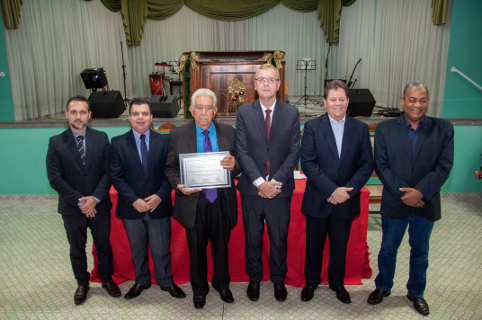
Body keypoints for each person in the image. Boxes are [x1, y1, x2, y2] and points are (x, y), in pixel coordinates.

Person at [367, 82, 454, 316]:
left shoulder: (443, 128)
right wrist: (405, 194)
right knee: (388, 248)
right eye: (413, 99)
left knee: (420, 252)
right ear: (403, 100)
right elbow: (382, 165)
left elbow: (444, 166)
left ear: (427, 101)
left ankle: (415, 291)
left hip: (426, 202)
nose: (417, 104)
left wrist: (420, 193)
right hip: (395, 201)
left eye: (422, 100)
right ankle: (383, 286)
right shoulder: (385, 129)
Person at [166, 88, 241, 309]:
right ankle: (199, 289)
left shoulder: (229, 132)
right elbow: (170, 168)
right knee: (196, 249)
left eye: (209, 107)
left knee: (221, 247)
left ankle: (221, 284)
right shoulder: (177, 134)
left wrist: (234, 165)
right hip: (194, 202)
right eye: (199, 107)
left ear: (216, 110)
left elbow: (239, 166)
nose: (204, 112)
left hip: (221, 201)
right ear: (191, 110)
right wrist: (179, 186)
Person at [299, 80, 373, 304]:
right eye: (333, 99)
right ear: (324, 102)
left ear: (348, 101)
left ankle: (337, 283)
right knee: (314, 245)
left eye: (342, 99)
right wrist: (332, 190)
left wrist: (346, 191)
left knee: (340, 245)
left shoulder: (360, 128)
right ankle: (311, 282)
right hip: (319, 198)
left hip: (346, 199)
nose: (337, 103)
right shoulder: (312, 127)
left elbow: (366, 164)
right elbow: (308, 163)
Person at [46, 95, 120, 305]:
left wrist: (95, 199)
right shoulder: (56, 142)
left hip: (100, 205)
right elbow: (55, 178)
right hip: (72, 208)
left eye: (82, 112)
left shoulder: (101, 138)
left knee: (103, 245)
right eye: (73, 112)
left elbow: (108, 173)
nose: (78, 117)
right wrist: (81, 202)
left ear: (89, 115)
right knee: (77, 248)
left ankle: (106, 279)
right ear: (66, 114)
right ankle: (82, 282)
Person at [236, 64, 300, 302]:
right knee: (252, 238)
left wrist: (274, 183)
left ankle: (278, 280)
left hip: (280, 191)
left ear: (278, 84)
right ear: (254, 84)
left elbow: (294, 152)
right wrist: (260, 183)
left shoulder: (291, 113)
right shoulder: (243, 112)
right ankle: (254, 280)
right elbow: (242, 151)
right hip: (252, 191)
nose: (265, 84)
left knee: (278, 239)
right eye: (261, 79)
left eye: (270, 80)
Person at [110, 98, 185, 300]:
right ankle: (141, 280)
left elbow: (170, 172)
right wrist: (134, 200)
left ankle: (166, 281)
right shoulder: (117, 143)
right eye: (136, 114)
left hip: (158, 206)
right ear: (130, 117)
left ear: (151, 117)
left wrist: (160, 196)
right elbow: (116, 176)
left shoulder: (164, 140)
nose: (140, 118)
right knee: (138, 250)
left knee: (162, 249)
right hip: (131, 207)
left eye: (144, 113)